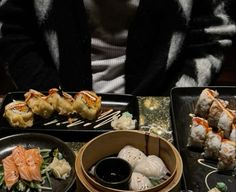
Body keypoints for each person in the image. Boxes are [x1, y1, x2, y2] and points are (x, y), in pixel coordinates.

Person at [0, 0, 235, 95]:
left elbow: (214, 31)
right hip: (57, 118)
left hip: (159, 117)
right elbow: (10, 27)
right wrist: (50, 98)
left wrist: (169, 104)